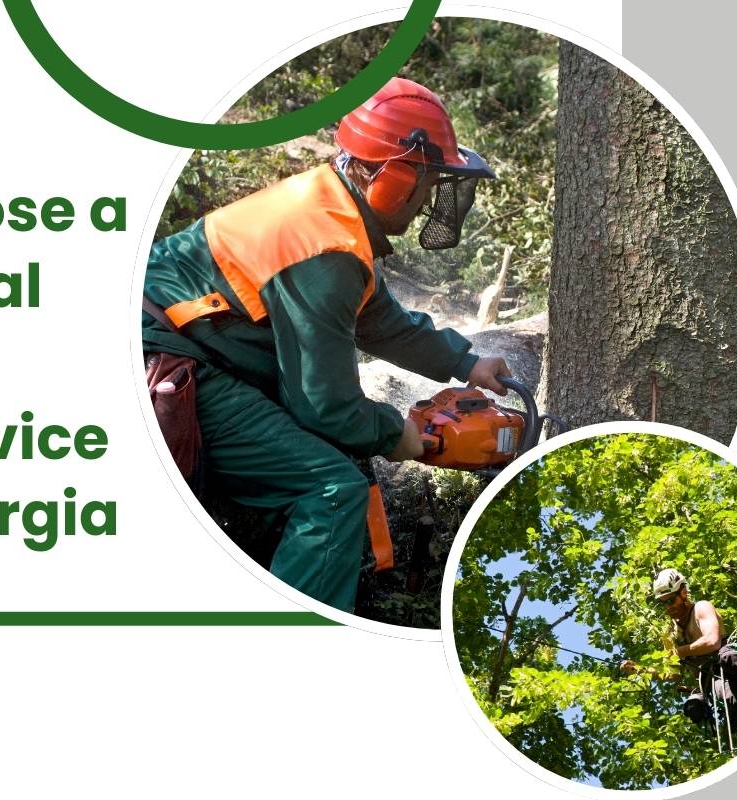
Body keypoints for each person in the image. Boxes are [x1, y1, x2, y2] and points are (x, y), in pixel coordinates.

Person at [142, 77, 512, 611]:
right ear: (395, 176)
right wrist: (398, 435)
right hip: (171, 356)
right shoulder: (328, 248)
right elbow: (324, 405)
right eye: (429, 182)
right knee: (332, 491)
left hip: (194, 340)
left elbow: (380, 321)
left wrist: (466, 362)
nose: (431, 198)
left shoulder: (331, 212)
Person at [621, 568, 737, 734]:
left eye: (670, 600)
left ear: (682, 593)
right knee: (727, 695)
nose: (668, 607)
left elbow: (712, 642)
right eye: (663, 603)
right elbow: (674, 674)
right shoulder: (669, 635)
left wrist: (678, 652)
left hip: (732, 661)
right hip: (711, 676)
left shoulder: (700, 608)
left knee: (727, 656)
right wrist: (640, 670)